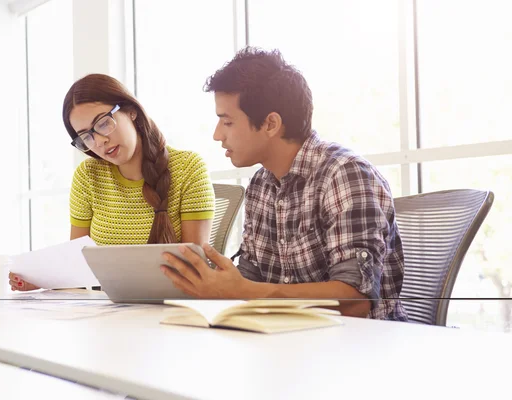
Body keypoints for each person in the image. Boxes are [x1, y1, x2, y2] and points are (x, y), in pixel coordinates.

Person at [160, 47, 408, 321]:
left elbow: (355, 300)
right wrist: (212, 284)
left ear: (270, 124)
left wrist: (247, 291)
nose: (218, 135)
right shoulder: (261, 184)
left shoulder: (344, 174)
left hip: (361, 349)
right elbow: (249, 279)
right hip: (288, 342)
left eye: (227, 122)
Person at [10, 74, 216, 291]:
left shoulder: (188, 168)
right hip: (104, 309)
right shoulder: (88, 176)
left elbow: (195, 269)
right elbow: (77, 268)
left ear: (131, 111)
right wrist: (44, 280)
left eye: (103, 123)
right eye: (86, 137)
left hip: (166, 307)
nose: (99, 141)